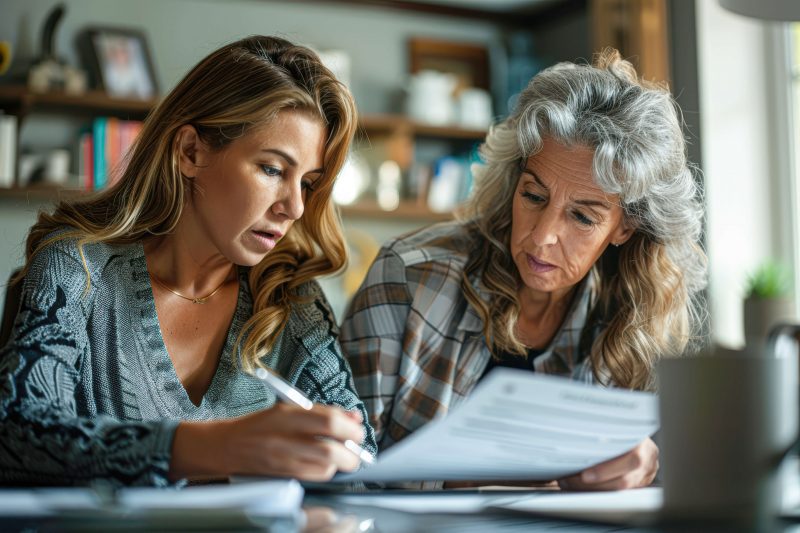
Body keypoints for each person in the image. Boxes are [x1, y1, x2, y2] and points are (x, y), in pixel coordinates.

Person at [0, 35, 375, 486]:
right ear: (190, 151)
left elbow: (362, 459)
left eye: (308, 182)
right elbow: (19, 430)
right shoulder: (76, 267)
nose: (294, 206)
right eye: (273, 170)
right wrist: (216, 448)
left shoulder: (289, 297)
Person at [340, 48, 707, 491]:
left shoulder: (633, 312)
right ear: (514, 180)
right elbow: (344, 468)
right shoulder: (409, 277)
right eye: (533, 196)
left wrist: (648, 468)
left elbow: (677, 487)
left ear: (625, 227)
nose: (541, 236)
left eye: (582, 217)